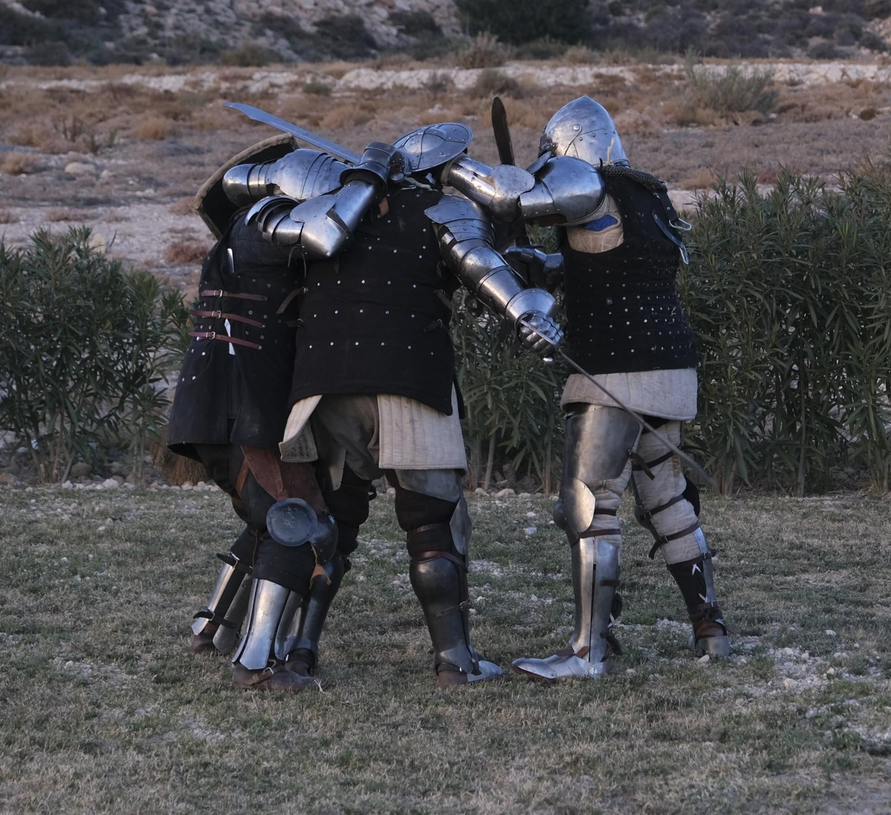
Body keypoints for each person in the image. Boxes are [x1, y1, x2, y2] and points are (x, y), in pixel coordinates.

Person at [232, 123, 563, 688]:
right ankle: (455, 663)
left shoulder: (328, 208)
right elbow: (485, 269)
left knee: (329, 524)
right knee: (436, 525)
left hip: (322, 385)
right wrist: (531, 315)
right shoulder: (444, 210)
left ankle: (299, 655)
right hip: (409, 379)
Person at [442, 96, 732, 680]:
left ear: (567, 150)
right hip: (670, 367)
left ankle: (588, 651)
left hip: (616, 371)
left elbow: (508, 195)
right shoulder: (649, 197)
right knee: (667, 500)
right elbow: (604, 268)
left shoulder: (586, 180)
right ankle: (710, 629)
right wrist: (535, 261)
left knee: (588, 507)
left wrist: (446, 165)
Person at [168, 137, 370, 691]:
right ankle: (258, 663)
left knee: (268, 518)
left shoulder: (240, 235)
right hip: (243, 410)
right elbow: (331, 235)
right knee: (297, 523)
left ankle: (212, 625)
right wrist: (367, 181)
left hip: (215, 409)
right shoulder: (265, 229)